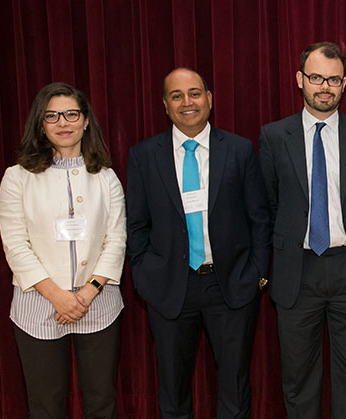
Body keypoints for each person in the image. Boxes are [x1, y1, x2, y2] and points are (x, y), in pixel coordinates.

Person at [126, 67, 271, 419]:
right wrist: (147, 276)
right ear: (165, 105)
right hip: (170, 287)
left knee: (234, 391)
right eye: (177, 96)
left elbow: (260, 219)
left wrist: (256, 277)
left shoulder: (238, 150)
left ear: (209, 99)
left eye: (194, 93)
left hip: (231, 287)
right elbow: (136, 226)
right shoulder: (144, 156)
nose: (186, 102)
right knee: (173, 393)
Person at [258, 41, 346, 418]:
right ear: (300, 80)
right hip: (296, 270)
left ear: (345, 84)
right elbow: (270, 203)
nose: (324, 87)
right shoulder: (273, 136)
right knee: (298, 377)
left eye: (332, 79)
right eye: (316, 78)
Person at [0, 82, 125, 418]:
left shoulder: (106, 177)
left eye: (71, 113)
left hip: (98, 303)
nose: (62, 122)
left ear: (85, 121)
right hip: (38, 305)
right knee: (45, 404)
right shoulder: (17, 178)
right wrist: (57, 296)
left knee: (101, 401)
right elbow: (16, 245)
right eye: (52, 116)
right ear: (40, 124)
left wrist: (85, 294)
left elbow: (116, 240)